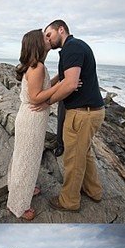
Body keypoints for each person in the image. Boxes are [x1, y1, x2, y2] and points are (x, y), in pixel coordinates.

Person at [37, 20, 106, 212]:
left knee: (74, 159)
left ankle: (69, 201)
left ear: (61, 30)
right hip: (92, 111)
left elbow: (70, 84)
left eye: (49, 35)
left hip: (82, 113)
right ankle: (94, 191)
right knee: (85, 153)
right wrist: (45, 88)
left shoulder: (71, 49)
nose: (47, 40)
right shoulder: (75, 47)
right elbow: (64, 78)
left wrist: (47, 102)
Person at [6, 30, 62, 220]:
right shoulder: (36, 67)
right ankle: (19, 207)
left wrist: (57, 80)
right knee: (27, 161)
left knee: (23, 158)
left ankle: (21, 191)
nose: (49, 39)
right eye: (45, 37)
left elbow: (41, 88)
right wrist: (61, 87)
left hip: (29, 117)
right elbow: (36, 97)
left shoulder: (36, 66)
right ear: (37, 44)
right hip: (32, 119)